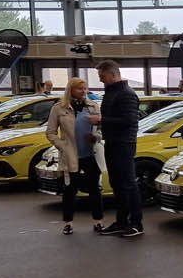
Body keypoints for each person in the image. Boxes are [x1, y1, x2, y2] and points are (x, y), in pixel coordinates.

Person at [87, 60, 144, 238]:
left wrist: (101, 120)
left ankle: (136, 223)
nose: (100, 80)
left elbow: (129, 120)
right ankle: (121, 221)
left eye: (102, 76)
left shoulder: (127, 94)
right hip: (112, 142)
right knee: (117, 184)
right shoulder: (112, 93)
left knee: (128, 183)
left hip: (124, 144)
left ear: (112, 74)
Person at [45, 78, 105, 235]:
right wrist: (62, 145)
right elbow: (50, 132)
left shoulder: (93, 106)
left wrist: (96, 137)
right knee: (70, 190)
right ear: (70, 90)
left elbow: (100, 128)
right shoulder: (59, 108)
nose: (83, 91)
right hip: (71, 155)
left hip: (91, 154)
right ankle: (68, 223)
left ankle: (98, 221)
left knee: (95, 190)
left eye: (85, 88)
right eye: (80, 89)